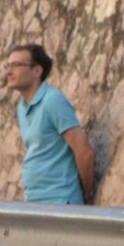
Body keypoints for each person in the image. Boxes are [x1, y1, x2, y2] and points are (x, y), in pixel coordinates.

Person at [6, 43, 94, 205]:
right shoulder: (22, 108)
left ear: (37, 71)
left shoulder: (53, 101)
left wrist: (87, 195)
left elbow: (84, 152)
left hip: (60, 200)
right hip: (34, 200)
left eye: (17, 65)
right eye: (9, 65)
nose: (9, 71)